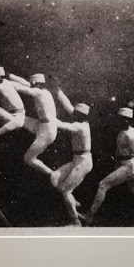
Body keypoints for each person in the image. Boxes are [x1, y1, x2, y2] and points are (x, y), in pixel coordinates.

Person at [50, 89, 93, 226]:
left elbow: (63, 125)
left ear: (80, 116)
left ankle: (76, 222)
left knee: (65, 190)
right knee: (55, 177)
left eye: (75, 114)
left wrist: (47, 117)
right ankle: (73, 202)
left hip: (84, 162)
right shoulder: (80, 119)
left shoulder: (80, 126)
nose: (72, 115)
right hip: (77, 159)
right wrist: (59, 91)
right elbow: (68, 105)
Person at [7, 72, 58, 178]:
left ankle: (52, 174)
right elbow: (24, 83)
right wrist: (11, 75)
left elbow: (22, 88)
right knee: (18, 117)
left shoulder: (40, 92)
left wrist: (5, 82)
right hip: (41, 126)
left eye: (32, 84)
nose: (31, 85)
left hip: (47, 130)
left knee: (28, 158)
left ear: (36, 84)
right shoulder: (42, 90)